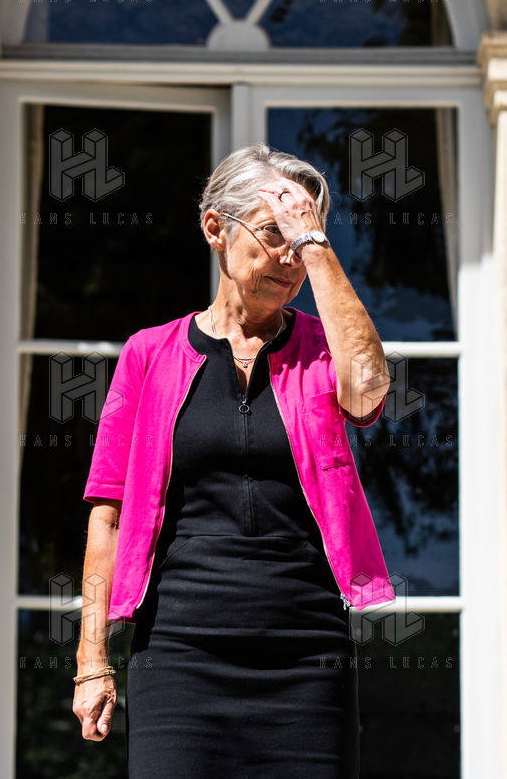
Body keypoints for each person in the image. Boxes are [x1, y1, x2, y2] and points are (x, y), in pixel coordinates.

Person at [72, 143, 394, 778]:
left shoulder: (321, 350)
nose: (289, 257)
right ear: (216, 228)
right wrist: (91, 661)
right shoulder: (149, 354)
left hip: (307, 656)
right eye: (275, 232)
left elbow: (368, 392)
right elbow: (108, 514)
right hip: (179, 654)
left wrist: (315, 246)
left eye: (302, 237)